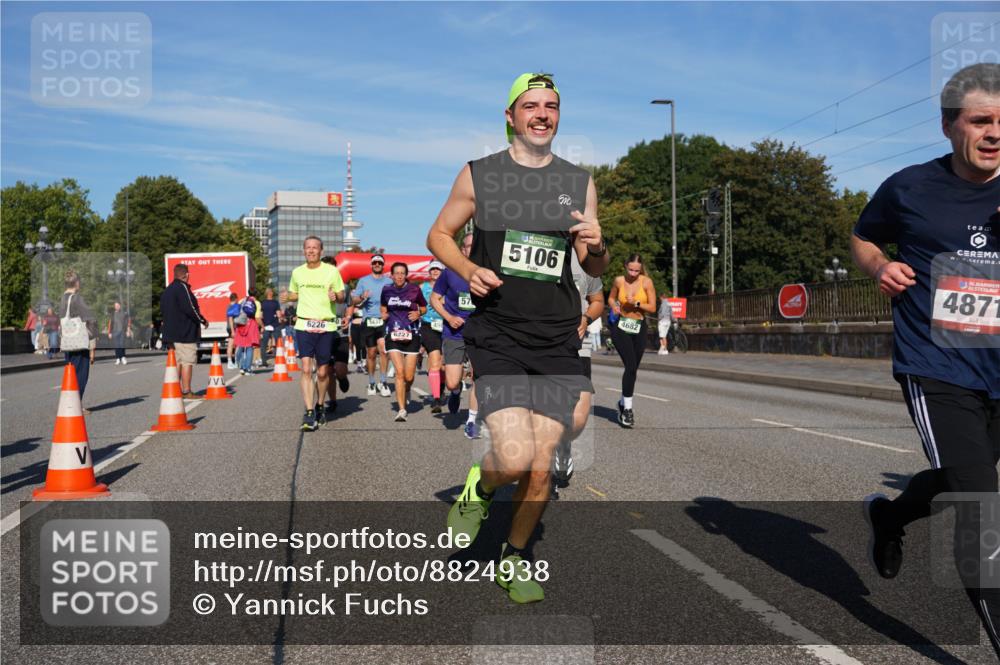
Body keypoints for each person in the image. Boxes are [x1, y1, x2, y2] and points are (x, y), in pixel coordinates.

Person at [428, 72, 608, 603]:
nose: (542, 114)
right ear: (510, 116)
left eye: (551, 106)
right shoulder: (479, 175)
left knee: (541, 465)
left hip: (555, 336)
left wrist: (597, 246)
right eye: (530, 105)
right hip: (500, 332)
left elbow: (591, 263)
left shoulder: (579, 183)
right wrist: (466, 265)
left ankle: (513, 558)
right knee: (511, 458)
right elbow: (438, 234)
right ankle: (477, 489)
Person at [851, 62, 1000, 658]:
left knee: (967, 478)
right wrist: (878, 267)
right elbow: (864, 236)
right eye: (981, 121)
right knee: (979, 507)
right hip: (938, 367)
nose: (994, 133)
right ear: (948, 126)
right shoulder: (909, 187)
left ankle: (890, 519)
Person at [553, 252, 605, 491]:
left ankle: (562, 443)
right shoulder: (534, 242)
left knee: (578, 418)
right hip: (540, 345)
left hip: (578, 345)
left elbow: (597, 301)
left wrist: (585, 318)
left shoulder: (585, 258)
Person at [282, 236, 345, 431]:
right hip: (303, 325)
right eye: (308, 248)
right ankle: (309, 411)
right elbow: (295, 293)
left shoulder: (332, 271)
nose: (311, 251)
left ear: (321, 251)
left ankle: (320, 405)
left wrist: (336, 296)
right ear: (304, 251)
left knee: (323, 371)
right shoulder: (297, 272)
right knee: (306, 368)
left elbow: (342, 296)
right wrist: (287, 296)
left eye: (315, 248)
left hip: (326, 326)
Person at [430, 232, 480, 439]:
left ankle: (472, 420)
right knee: (451, 382)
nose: (472, 249)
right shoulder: (450, 273)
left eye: (475, 246)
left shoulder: (488, 272)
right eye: (468, 246)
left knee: (480, 377)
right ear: (462, 250)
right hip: (454, 333)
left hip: (480, 334)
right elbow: (434, 298)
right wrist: (449, 317)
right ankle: (456, 392)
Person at [608, 254, 656, 428]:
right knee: (629, 366)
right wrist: (614, 306)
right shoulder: (619, 281)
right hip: (621, 326)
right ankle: (627, 410)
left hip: (639, 327)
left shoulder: (646, 282)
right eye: (631, 269)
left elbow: (652, 307)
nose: (634, 273)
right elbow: (611, 298)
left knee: (633, 368)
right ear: (625, 265)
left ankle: (621, 403)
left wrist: (636, 303)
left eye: (637, 270)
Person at [380, 262, 426, 422]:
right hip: (392, 335)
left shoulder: (415, 289)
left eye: (402, 273)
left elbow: (424, 307)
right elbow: (383, 307)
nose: (399, 276)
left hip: (411, 335)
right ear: (391, 275)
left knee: (408, 376)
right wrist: (384, 315)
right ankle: (401, 410)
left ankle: (407, 390)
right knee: (399, 373)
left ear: (406, 275)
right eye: (396, 273)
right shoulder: (386, 290)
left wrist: (418, 313)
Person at [160, 263, 209, 399]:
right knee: (187, 361)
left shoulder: (167, 290)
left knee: (178, 362)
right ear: (186, 275)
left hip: (171, 334)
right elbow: (190, 308)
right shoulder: (183, 288)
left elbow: (163, 310)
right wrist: (202, 320)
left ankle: (175, 390)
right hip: (185, 332)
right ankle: (187, 391)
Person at [352, 255, 392, 397]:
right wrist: (362, 296)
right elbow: (355, 300)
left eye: (379, 263)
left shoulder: (389, 281)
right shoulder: (363, 280)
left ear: (383, 265)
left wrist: (388, 313)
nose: (377, 264)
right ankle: (371, 381)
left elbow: (394, 299)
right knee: (371, 353)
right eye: (374, 263)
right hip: (369, 321)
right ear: (371, 265)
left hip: (384, 321)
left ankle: (383, 381)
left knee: (384, 351)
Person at [59, 271, 98, 410]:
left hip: (68, 341)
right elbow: (91, 320)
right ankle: (76, 404)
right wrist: (92, 345)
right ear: (76, 283)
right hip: (79, 342)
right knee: (81, 373)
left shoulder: (63, 299)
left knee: (71, 373)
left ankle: (70, 403)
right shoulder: (77, 299)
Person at [321, 255, 351, 417]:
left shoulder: (344, 287)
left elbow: (351, 305)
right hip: (323, 332)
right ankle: (332, 401)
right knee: (327, 370)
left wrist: (348, 316)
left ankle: (343, 378)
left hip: (340, 333)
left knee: (339, 370)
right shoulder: (316, 287)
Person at [420, 261, 446, 412]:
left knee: (443, 365)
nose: (435, 271)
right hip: (428, 326)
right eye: (432, 269)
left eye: (438, 269)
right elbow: (415, 305)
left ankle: (441, 390)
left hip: (446, 325)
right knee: (435, 360)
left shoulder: (448, 288)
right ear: (429, 272)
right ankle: (436, 399)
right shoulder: (422, 288)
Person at [233, 290, 260, 375]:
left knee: (241, 346)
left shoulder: (242, 300)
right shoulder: (256, 303)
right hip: (251, 325)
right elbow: (257, 317)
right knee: (249, 348)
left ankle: (241, 367)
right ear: (256, 294)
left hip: (241, 325)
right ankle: (247, 369)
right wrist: (262, 327)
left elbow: (237, 311)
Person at [259, 287, 281, 367]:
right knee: (278, 343)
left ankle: (264, 362)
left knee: (263, 345)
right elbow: (278, 314)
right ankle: (279, 360)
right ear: (271, 293)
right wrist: (281, 318)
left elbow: (261, 316)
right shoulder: (275, 303)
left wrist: (262, 326)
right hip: (275, 325)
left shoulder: (263, 303)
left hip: (266, 326)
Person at [107, 301, 132, 365]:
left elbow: (128, 322)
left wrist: (128, 330)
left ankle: (123, 357)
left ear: (120, 306)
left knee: (122, 344)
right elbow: (110, 324)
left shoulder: (124, 313)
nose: (117, 307)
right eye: (115, 306)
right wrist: (109, 332)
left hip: (122, 331)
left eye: (118, 305)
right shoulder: (112, 314)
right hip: (115, 332)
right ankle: (118, 358)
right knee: (117, 345)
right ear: (114, 307)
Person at [225, 292, 240, 369]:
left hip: (230, 328)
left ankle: (230, 361)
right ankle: (233, 362)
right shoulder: (233, 307)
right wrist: (233, 331)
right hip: (233, 328)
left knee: (232, 345)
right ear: (236, 299)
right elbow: (231, 320)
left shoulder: (229, 306)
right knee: (234, 345)